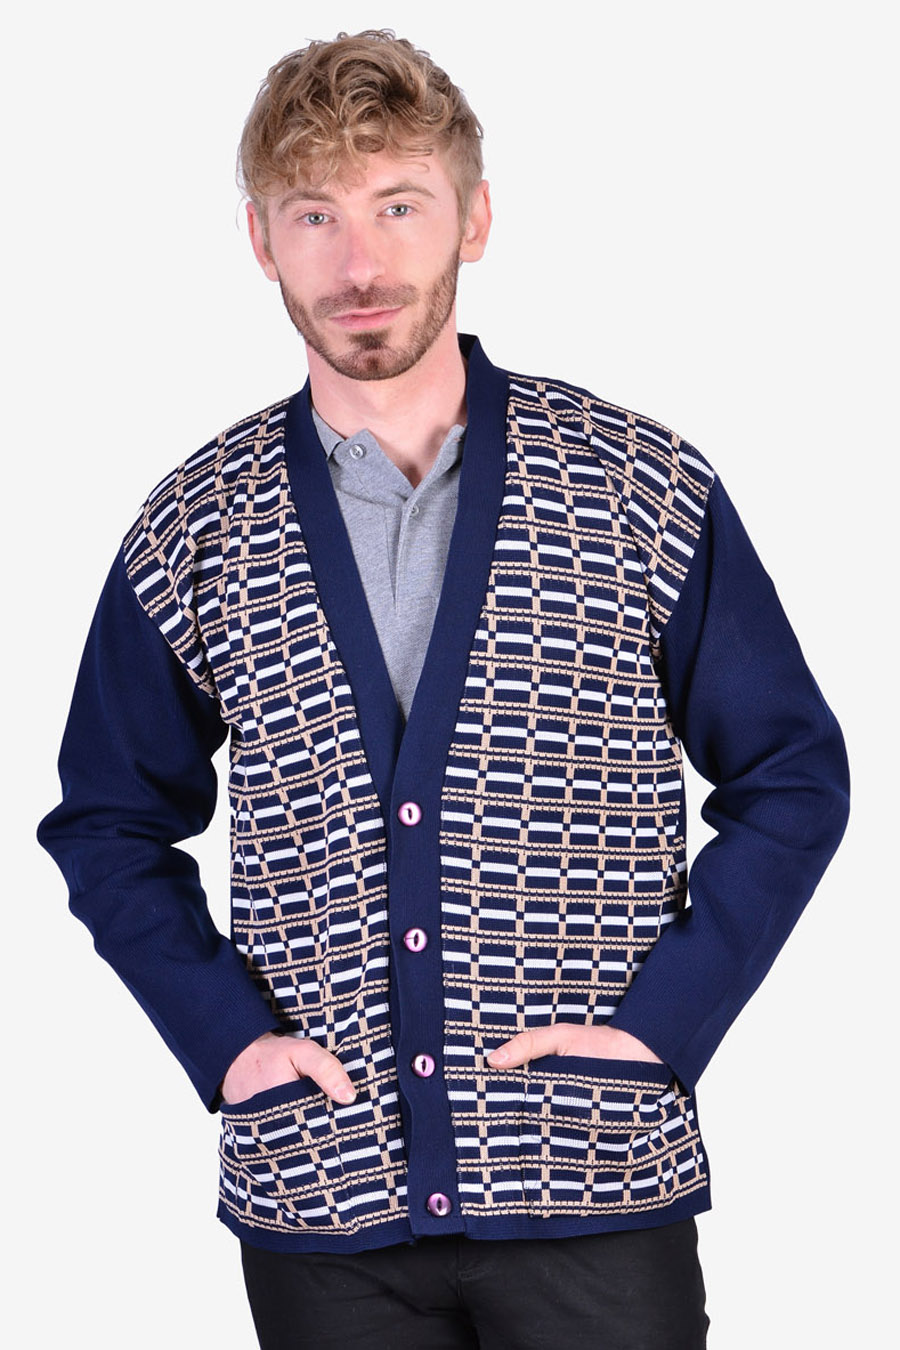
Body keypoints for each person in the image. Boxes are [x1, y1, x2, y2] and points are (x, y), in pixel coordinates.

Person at [38, 29, 850, 1350]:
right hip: (324, 1199)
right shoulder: (196, 525)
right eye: (316, 214)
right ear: (261, 240)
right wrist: (226, 1040)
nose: (360, 264)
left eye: (399, 206)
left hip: (590, 1180)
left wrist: (665, 1024)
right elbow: (109, 819)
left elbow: (793, 775)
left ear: (474, 218)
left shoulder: (635, 488)